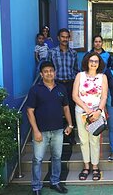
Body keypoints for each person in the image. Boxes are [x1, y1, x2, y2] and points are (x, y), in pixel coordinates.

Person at [26, 61, 74, 195]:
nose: (49, 73)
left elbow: (66, 107)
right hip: (41, 131)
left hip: (58, 130)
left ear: (55, 72)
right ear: (41, 74)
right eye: (46, 71)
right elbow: (29, 111)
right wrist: (35, 130)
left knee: (57, 157)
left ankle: (55, 182)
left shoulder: (61, 88)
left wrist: (70, 124)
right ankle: (36, 187)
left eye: (51, 70)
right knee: (37, 159)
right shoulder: (35, 89)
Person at [72, 52, 108, 181]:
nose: (93, 63)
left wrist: (98, 111)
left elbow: (104, 96)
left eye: (96, 61)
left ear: (99, 63)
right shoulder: (80, 76)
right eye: (91, 61)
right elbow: (74, 95)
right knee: (83, 140)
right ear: (87, 62)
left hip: (97, 113)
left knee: (94, 140)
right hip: (81, 112)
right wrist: (87, 110)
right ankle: (86, 166)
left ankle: (95, 166)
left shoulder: (102, 77)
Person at [48, 28, 80, 145]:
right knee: (57, 110)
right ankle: (58, 137)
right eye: (63, 37)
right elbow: (48, 69)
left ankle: (70, 136)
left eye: (67, 37)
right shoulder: (52, 52)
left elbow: (76, 70)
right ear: (58, 38)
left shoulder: (73, 53)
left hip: (70, 84)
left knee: (71, 109)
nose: (65, 39)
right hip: (57, 84)